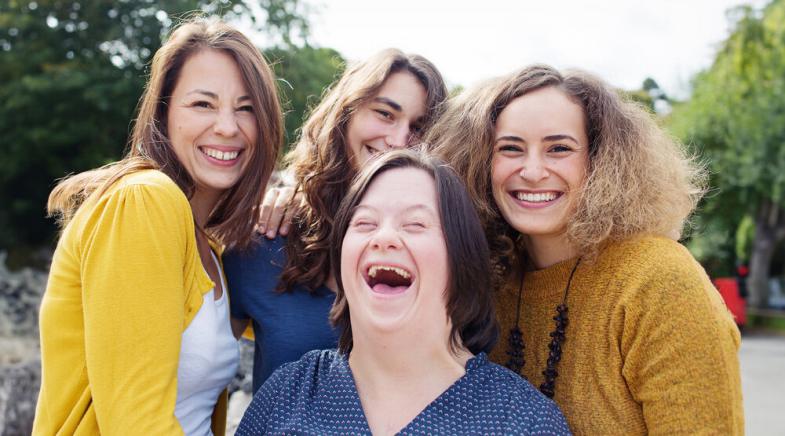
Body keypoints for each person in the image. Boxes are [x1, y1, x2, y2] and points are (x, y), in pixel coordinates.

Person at [428, 65, 744, 434]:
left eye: (559, 148)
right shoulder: (485, 279)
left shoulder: (659, 281)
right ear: (481, 161)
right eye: (510, 149)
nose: (532, 171)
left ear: (601, 161)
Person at [33, 19, 282, 435]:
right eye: (203, 104)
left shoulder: (210, 248)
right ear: (164, 112)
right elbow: (135, 422)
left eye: (246, 108)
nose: (227, 126)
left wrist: (293, 195)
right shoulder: (145, 201)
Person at [235, 149, 570, 435]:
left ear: (461, 257)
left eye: (415, 225)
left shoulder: (525, 423)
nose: (384, 237)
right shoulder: (285, 395)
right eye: (364, 223)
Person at [223, 48, 448, 392]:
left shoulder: (448, 251)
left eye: (419, 127)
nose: (400, 140)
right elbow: (201, 378)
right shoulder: (267, 240)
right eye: (385, 114)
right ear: (345, 115)